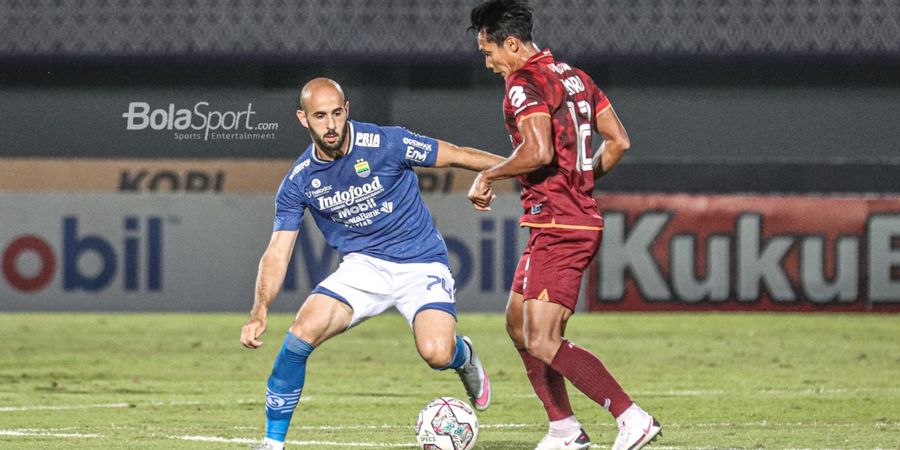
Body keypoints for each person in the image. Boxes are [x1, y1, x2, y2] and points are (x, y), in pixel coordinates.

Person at [240, 77, 501, 450]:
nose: (330, 125)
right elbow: (278, 250)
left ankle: (465, 356)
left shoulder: (386, 143)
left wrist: (517, 169)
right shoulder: (299, 181)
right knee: (299, 336)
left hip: (420, 261)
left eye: (335, 113)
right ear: (303, 119)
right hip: (363, 267)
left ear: (346, 110)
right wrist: (259, 310)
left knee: (436, 353)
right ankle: (272, 443)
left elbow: (457, 154)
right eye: (319, 116)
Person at [466, 2, 662, 450]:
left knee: (542, 337)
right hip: (559, 219)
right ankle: (564, 429)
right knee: (518, 325)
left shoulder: (524, 82)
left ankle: (632, 417)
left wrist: (489, 174)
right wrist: (582, 180)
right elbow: (619, 141)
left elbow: (537, 152)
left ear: (511, 44)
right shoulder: (575, 76)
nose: (489, 63)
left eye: (489, 51)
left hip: (560, 224)